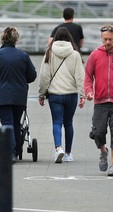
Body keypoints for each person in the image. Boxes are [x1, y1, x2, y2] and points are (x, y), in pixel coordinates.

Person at [0, 26, 37, 163]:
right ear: (16, 39)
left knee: (7, 123)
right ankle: (16, 150)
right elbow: (32, 76)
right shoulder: (23, 55)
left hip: (1, 95)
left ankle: (10, 153)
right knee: (16, 123)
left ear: (2, 39)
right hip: (19, 95)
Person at [84, 25, 113, 176]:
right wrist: (89, 91)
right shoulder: (94, 55)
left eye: (110, 39)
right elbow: (88, 77)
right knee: (98, 132)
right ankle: (103, 151)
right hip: (100, 101)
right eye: (105, 39)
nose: (107, 42)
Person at [39, 27, 85, 163]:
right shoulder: (75, 54)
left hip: (55, 94)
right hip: (71, 94)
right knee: (68, 123)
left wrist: (41, 94)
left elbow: (44, 76)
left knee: (57, 122)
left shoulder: (49, 52)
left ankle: (58, 148)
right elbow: (80, 76)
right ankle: (68, 153)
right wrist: (82, 95)